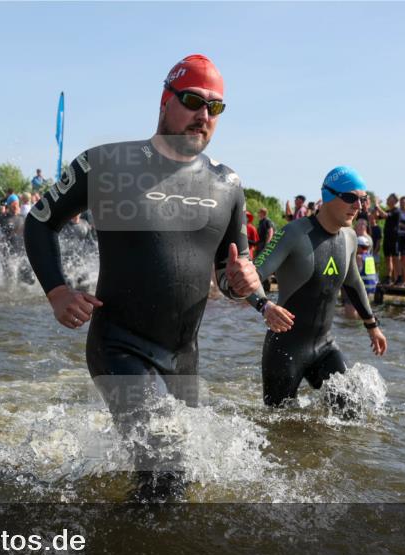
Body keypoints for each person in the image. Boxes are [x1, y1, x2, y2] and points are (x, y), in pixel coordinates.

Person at [23, 53, 262, 501]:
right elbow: (39, 222)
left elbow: (230, 275)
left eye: (215, 107)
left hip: (184, 357)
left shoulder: (227, 184)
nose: (204, 114)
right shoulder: (107, 163)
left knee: (175, 479)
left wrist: (242, 283)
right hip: (119, 344)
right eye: (193, 101)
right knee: (166, 470)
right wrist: (57, 291)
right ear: (165, 101)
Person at [251, 166, 386, 411]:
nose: (358, 206)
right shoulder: (293, 233)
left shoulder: (350, 238)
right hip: (286, 348)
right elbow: (251, 276)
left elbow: (353, 282)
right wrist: (264, 305)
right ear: (328, 196)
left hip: (325, 346)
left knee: (350, 409)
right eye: (351, 197)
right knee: (278, 423)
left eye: (363, 199)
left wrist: (372, 325)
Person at [380, 193, 399, 284]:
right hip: (387, 237)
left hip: (394, 238)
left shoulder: (396, 211)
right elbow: (378, 216)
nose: (387, 199)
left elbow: (385, 215)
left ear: (394, 201)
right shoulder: (388, 210)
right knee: (388, 258)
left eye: (389, 198)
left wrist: (377, 206)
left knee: (395, 258)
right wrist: (376, 207)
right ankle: (388, 277)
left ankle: (398, 278)